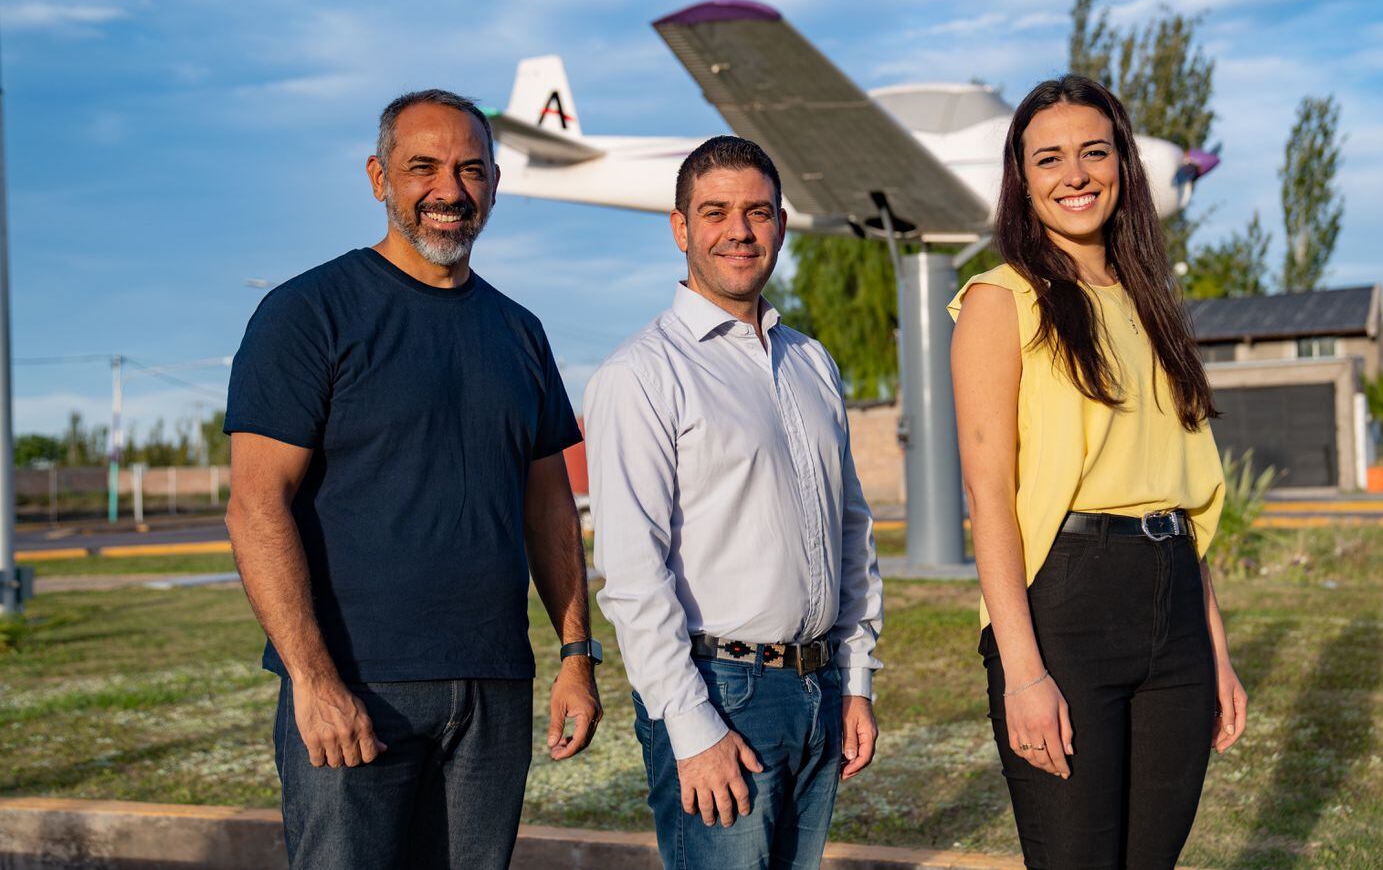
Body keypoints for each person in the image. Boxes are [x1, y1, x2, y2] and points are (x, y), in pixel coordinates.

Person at [225, 89, 603, 869]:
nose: (448, 190)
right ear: (378, 177)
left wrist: (576, 654)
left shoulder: (518, 331)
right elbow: (257, 507)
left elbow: (550, 511)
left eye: (470, 170)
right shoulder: (309, 313)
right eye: (421, 167)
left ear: (493, 185)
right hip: (359, 688)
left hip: (493, 688)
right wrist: (314, 680)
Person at [948, 75, 1249, 868]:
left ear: (1122, 164)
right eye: (1049, 159)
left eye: (1093, 151)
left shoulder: (1154, 303)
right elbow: (989, 497)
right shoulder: (999, 301)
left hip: (1174, 600)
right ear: (1023, 180)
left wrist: (1214, 650)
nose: (1074, 175)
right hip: (1067, 608)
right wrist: (1022, 671)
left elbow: (1180, 495)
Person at [584, 135, 884, 870]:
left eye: (757, 212)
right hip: (721, 694)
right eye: (715, 212)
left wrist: (857, 679)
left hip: (820, 689)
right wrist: (693, 730)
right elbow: (630, 575)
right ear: (682, 228)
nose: (739, 231)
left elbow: (851, 532)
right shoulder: (642, 375)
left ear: (781, 224)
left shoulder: (811, 362)